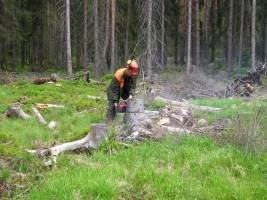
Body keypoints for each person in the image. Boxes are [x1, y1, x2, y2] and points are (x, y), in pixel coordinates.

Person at [106, 59, 139, 125]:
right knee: (112, 105)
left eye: (133, 75)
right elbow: (115, 89)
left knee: (131, 103)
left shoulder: (134, 74)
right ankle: (108, 123)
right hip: (114, 89)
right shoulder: (119, 73)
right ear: (128, 70)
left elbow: (133, 86)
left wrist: (131, 95)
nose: (132, 76)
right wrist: (115, 101)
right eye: (131, 74)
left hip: (125, 88)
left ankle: (128, 122)